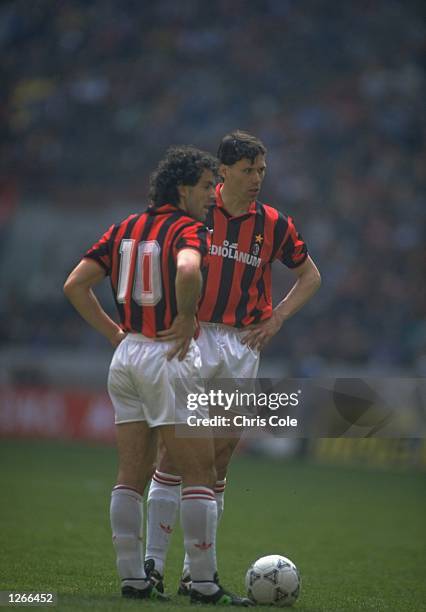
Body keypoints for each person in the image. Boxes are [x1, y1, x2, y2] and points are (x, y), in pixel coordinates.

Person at [63, 146, 251, 605]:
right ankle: (203, 583)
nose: (213, 195)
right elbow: (188, 268)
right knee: (200, 472)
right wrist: (187, 317)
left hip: (127, 357)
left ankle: (132, 578)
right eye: (208, 186)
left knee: (131, 473)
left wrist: (114, 332)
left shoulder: (125, 227)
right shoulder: (189, 229)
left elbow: (75, 285)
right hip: (168, 357)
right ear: (183, 189)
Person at [144, 131, 321, 594]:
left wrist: (278, 318)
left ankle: (194, 572)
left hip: (243, 346)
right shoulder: (198, 212)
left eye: (262, 170)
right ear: (223, 172)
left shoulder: (275, 223)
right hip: (196, 335)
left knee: (220, 459)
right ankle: (151, 563)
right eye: (248, 170)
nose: (258, 178)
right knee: (176, 454)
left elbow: (310, 275)